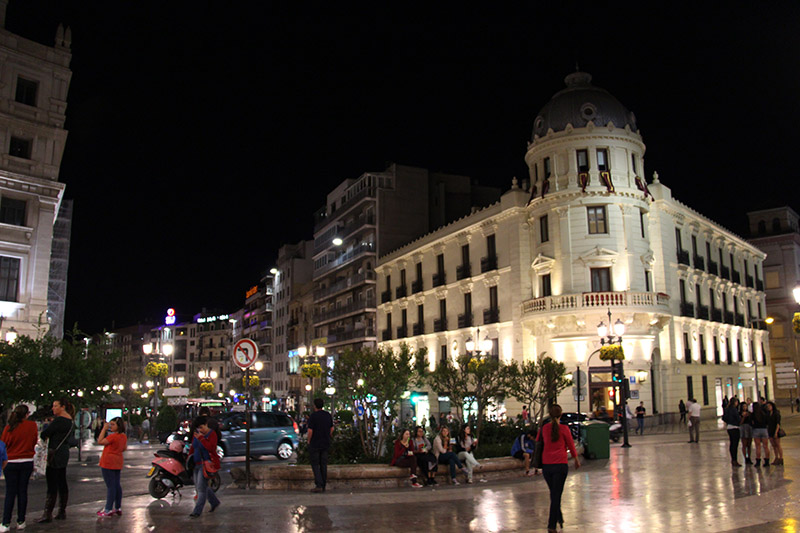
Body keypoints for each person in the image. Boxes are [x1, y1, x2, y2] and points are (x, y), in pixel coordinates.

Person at [537, 404, 580, 533]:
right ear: (560, 415)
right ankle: (551, 525)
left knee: (554, 493)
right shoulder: (564, 429)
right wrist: (576, 459)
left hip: (547, 466)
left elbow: (538, 442)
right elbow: (571, 445)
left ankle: (559, 517)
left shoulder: (544, 428)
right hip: (560, 465)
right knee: (556, 495)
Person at [0, 405, 38, 531]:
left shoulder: (9, 428)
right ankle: (21, 521)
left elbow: (3, 444)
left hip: (11, 461)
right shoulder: (32, 426)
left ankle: (5, 522)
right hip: (27, 461)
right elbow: (34, 441)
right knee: (23, 491)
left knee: (10, 492)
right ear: (27, 414)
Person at [37, 398, 74, 523]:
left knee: (52, 482)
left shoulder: (59, 421)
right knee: (62, 480)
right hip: (63, 452)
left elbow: (45, 433)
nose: (53, 408)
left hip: (54, 453)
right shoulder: (70, 421)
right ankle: (61, 511)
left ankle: (48, 513)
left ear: (62, 407)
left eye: (55, 406)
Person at [188, 416, 220, 517]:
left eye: (201, 427)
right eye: (198, 428)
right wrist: (189, 458)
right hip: (196, 463)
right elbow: (193, 447)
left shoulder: (212, 434)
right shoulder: (196, 435)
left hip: (206, 464)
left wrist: (201, 438)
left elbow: (211, 448)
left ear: (206, 425)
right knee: (200, 486)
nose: (200, 430)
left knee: (201, 489)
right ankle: (214, 502)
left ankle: (197, 511)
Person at [96, 417, 127, 517]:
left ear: (119, 426)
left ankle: (108, 508)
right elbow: (124, 448)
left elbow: (100, 441)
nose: (111, 426)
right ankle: (118, 507)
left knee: (111, 486)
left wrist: (104, 429)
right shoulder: (123, 437)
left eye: (113, 424)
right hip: (117, 461)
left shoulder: (113, 437)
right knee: (117, 485)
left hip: (108, 462)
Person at [306, 397, 334, 493]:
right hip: (325, 442)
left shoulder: (313, 416)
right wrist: (328, 435)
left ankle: (319, 484)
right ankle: (323, 483)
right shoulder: (327, 415)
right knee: (323, 464)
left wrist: (308, 440)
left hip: (315, 443)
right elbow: (332, 428)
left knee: (315, 464)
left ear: (315, 406)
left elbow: (310, 431)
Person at [750, 402, 770, 467]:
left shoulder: (753, 415)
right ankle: (767, 461)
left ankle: (758, 461)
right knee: (766, 446)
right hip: (764, 430)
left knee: (758, 446)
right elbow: (767, 422)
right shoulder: (763, 414)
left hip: (756, 430)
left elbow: (751, 423)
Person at [722, 398, 741, 467]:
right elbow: (738, 418)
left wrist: (728, 421)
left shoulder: (727, 409)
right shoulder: (734, 409)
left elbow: (723, 417)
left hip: (729, 427)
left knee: (732, 443)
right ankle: (734, 459)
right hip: (735, 427)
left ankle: (733, 459)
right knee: (735, 444)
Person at [765, 401, 783, 466]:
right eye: (768, 406)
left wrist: (776, 432)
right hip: (770, 430)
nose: (769, 407)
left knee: (778, 444)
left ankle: (781, 458)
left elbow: (778, 423)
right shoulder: (768, 414)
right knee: (774, 445)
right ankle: (776, 457)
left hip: (775, 430)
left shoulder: (776, 413)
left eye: (770, 406)